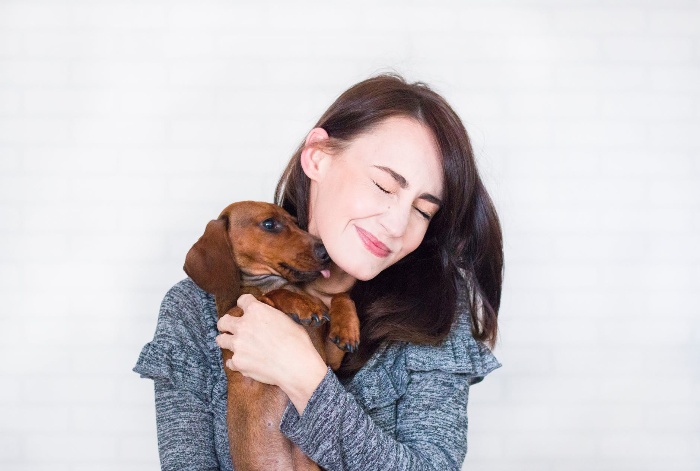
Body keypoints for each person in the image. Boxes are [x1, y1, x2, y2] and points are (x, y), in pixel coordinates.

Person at [134, 72, 503, 470]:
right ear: (318, 157)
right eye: (383, 185)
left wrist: (304, 376)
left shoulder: (436, 314)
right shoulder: (192, 311)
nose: (397, 225)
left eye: (422, 210)